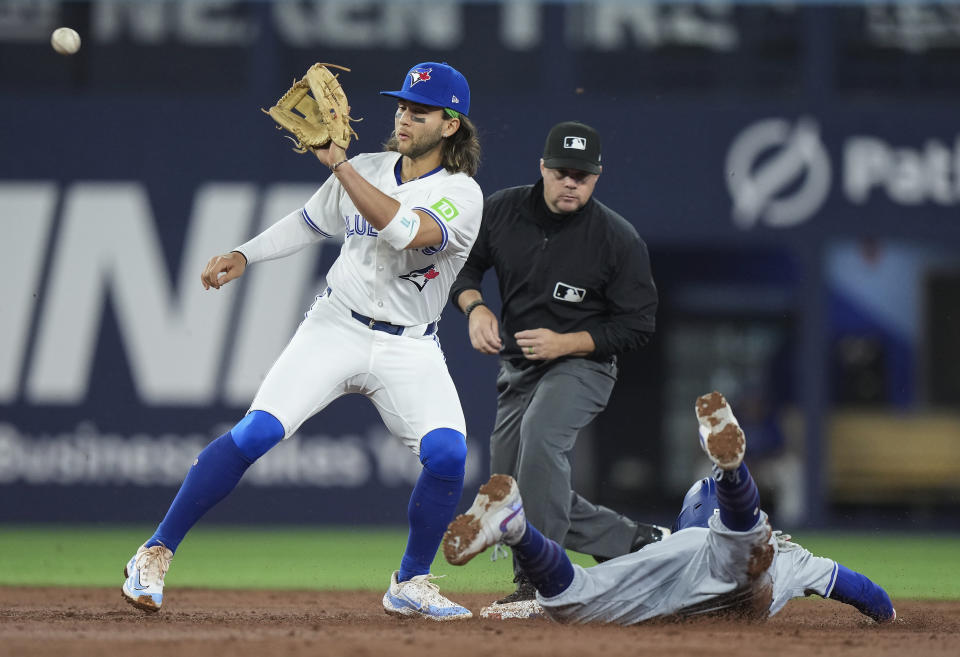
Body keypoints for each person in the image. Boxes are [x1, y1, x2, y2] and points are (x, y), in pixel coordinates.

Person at [121, 61, 483, 622]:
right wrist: (244, 253)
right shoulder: (367, 166)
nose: (405, 116)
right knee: (256, 431)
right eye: (402, 105)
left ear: (451, 124)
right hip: (335, 326)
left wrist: (340, 166)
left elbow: (406, 231)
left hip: (409, 346)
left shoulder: (463, 194)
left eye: (421, 110)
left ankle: (410, 582)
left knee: (448, 455)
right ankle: (154, 552)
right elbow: (308, 223)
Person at [448, 120, 667, 617]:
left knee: (542, 438)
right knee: (512, 486)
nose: (572, 182)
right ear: (542, 168)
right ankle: (634, 540)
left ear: (597, 178)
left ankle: (539, 586)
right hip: (519, 368)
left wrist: (566, 341)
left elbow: (638, 325)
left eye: (582, 176)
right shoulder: (502, 209)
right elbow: (463, 265)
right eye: (563, 172)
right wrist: (475, 307)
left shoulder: (617, 238)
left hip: (583, 365)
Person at [442, 391, 897, 626]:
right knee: (742, 546)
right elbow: (862, 590)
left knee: (568, 601)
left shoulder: (666, 543)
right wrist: (888, 617)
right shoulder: (788, 554)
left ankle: (517, 528)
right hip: (734, 564)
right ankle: (733, 472)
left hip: (667, 585)